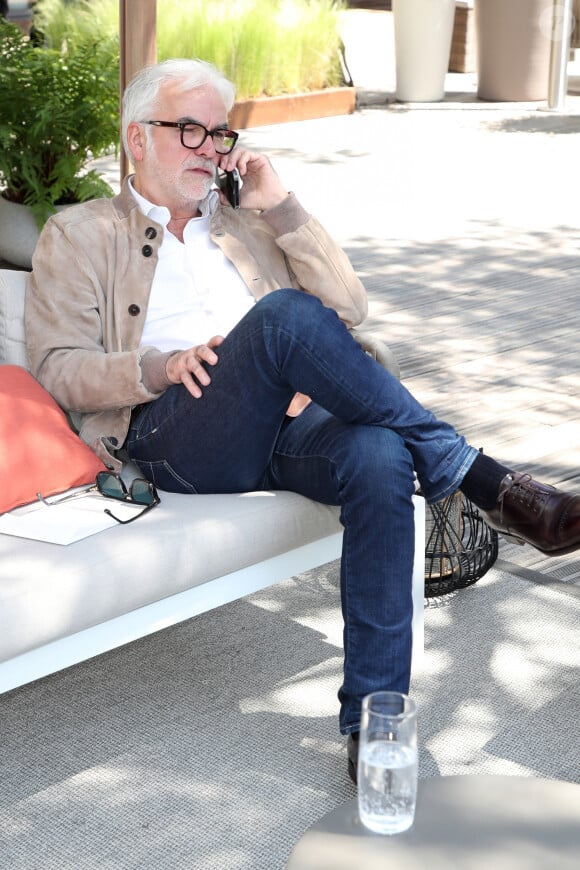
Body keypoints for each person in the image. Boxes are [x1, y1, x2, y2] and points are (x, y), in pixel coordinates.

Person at [25, 59, 580, 784]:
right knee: (283, 317)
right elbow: (58, 367)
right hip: (173, 435)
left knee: (380, 453)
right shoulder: (80, 233)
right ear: (137, 138)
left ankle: (373, 727)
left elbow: (348, 308)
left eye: (219, 133)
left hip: (285, 428)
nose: (209, 148)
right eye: (188, 129)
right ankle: (482, 481)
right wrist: (157, 366)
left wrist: (281, 207)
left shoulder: (248, 225)